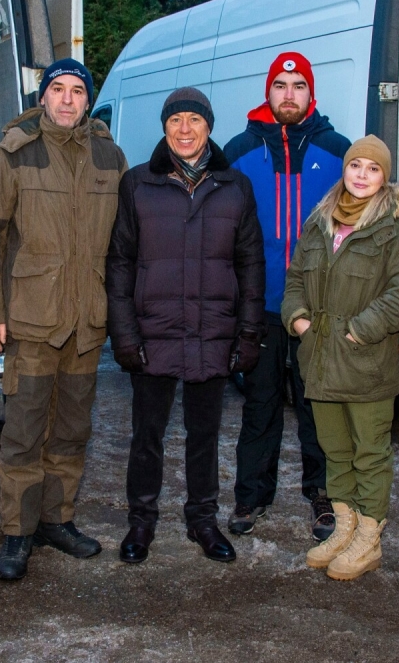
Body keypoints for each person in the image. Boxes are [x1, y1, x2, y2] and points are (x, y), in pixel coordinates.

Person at [0, 58, 128, 581]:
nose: (66, 99)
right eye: (57, 89)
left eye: (76, 91)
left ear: (88, 100)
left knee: (71, 432)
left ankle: (56, 521)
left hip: (86, 324)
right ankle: (18, 533)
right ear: (43, 97)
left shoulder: (110, 156)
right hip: (31, 321)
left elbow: (126, 245)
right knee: (24, 433)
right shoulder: (12, 153)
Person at [106, 87, 266, 565]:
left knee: (205, 434)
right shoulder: (137, 184)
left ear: (209, 127)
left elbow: (250, 265)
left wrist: (249, 333)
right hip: (153, 333)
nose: (185, 129)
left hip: (211, 332)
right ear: (164, 127)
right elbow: (119, 264)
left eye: (194, 120)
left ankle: (203, 521)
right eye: (176, 120)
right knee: (147, 435)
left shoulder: (234, 187)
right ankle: (141, 522)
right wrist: (125, 335)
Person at [281, 135, 399, 581]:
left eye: (373, 168)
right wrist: (299, 323)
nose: (362, 175)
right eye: (355, 166)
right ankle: (344, 527)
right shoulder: (319, 222)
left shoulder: (398, 227)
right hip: (320, 362)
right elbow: (293, 283)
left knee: (370, 453)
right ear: (345, 170)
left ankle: (369, 537)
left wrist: (358, 329)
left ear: (385, 177)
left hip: (365, 363)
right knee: (335, 450)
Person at [225, 51, 351, 541]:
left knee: (318, 404)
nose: (289, 94)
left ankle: (322, 495)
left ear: (310, 92)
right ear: (268, 91)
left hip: (318, 308)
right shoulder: (237, 151)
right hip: (257, 304)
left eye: (299, 85)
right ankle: (251, 495)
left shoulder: (339, 151)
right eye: (281, 84)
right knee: (259, 405)